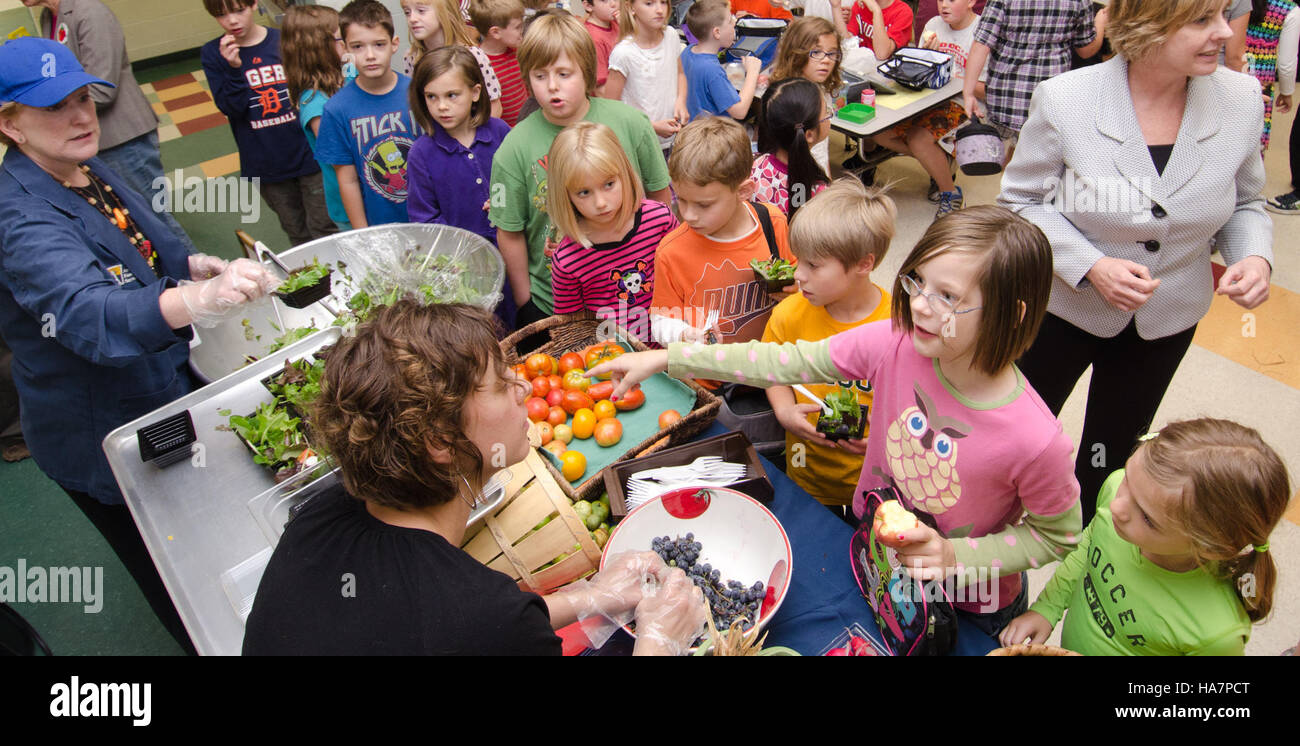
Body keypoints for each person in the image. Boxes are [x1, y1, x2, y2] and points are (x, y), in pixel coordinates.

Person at [596, 205, 1084, 637]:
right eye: (918, 282)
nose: (918, 305)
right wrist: (668, 360)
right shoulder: (894, 341)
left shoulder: (1036, 440)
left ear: (1012, 314)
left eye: (948, 297)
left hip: (973, 603)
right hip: (881, 562)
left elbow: (1055, 535)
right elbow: (781, 361)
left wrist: (958, 558)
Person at [0, 38, 281, 653]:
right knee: (178, 569)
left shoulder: (84, 164)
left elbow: (144, 241)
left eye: (84, 99)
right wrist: (199, 302)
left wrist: (192, 266)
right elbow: (88, 313)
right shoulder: (17, 216)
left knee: (217, 517)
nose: (80, 117)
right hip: (104, 421)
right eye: (55, 108)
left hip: (166, 389)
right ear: (9, 124)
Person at [242, 301, 708, 655]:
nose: (524, 386)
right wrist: (662, 639)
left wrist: (593, 594)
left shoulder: (323, 511)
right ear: (441, 442)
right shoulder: (479, 617)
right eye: (501, 383)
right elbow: (481, 626)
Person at [1000, 0, 1274, 526]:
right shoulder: (1067, 99)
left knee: (1113, 447)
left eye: (1223, 14)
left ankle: (1086, 549)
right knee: (1021, 428)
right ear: (1148, 25)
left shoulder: (1241, 98)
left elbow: (1247, 202)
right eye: (1202, 20)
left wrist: (1255, 256)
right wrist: (1090, 264)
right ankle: (990, 533)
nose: (1225, 32)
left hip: (1166, 318)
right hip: (1063, 308)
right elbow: (1020, 202)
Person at [1001, 419, 1290, 656]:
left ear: (1211, 547)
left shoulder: (1216, 635)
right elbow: (1089, 544)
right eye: (1127, 476)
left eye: (1149, 519)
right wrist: (1047, 608)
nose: (1118, 506)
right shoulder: (1118, 493)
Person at [488, 11, 671, 334]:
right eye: (540, 76)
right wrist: (525, 301)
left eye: (564, 73)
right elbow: (510, 230)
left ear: (586, 71)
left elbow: (659, 194)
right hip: (556, 302)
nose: (553, 86)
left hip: (645, 295)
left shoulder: (631, 123)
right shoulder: (513, 147)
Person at [762, 179, 895, 511]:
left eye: (813, 265)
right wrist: (783, 410)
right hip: (805, 475)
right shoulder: (790, 314)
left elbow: (917, 402)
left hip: (874, 486)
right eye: (799, 260)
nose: (798, 275)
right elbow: (769, 366)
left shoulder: (897, 326)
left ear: (864, 264)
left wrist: (885, 441)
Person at [26, 0, 197, 254]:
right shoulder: (49, 17)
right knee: (132, 222)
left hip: (122, 139)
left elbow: (101, 87)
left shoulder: (89, 12)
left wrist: (50, 117)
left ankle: (208, 283)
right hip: (90, 138)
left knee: (155, 221)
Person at [650, 116, 797, 348]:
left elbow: (801, 280)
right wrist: (683, 334)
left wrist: (796, 292)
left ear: (744, 191)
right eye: (682, 200)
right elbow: (661, 319)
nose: (688, 215)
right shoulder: (672, 251)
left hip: (770, 365)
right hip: (710, 380)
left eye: (704, 205)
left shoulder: (773, 222)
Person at [200, 0, 336, 246]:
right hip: (265, 162)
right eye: (221, 15)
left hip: (308, 153)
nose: (232, 21)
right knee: (297, 232)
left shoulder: (283, 41)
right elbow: (231, 108)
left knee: (326, 226)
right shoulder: (213, 53)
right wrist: (233, 69)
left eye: (238, 10)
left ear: (253, 4)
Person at [547, 122, 679, 343]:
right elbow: (571, 331)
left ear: (624, 174)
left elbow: (687, 277)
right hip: (615, 363)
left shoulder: (660, 220)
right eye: (584, 192)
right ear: (565, 195)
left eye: (608, 184)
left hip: (676, 352)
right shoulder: (568, 261)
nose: (600, 203)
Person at [314, 0, 421, 228]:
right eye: (358, 47)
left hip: (428, 215)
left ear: (394, 44)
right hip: (379, 224)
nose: (370, 55)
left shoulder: (419, 92)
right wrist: (363, 234)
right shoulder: (336, 109)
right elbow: (348, 180)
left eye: (379, 44)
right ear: (344, 48)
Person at [875, 0, 986, 217]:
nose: (943, 5)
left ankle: (950, 192)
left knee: (918, 139)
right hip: (929, 100)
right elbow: (918, 76)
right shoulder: (934, 25)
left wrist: (948, 73)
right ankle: (939, 162)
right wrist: (923, 59)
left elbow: (988, 90)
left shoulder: (982, 32)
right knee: (880, 132)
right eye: (940, 0)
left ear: (972, 2)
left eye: (952, 0)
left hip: (965, 104)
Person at [964, 0, 1105, 157]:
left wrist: (968, 93)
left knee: (998, 157)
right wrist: (1100, 22)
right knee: (1036, 165)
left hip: (1004, 100)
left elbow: (981, 45)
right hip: (1048, 101)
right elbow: (1085, 50)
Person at [282, 4, 357, 233]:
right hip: (349, 205)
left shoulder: (346, 73)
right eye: (339, 38)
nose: (346, 42)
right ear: (320, 49)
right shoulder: (315, 104)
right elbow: (341, 156)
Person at [606, 0, 689, 157]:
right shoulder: (624, 53)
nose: (659, 10)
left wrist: (681, 101)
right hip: (640, 144)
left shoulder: (671, 35)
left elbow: (680, 74)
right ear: (631, 8)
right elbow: (611, 109)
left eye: (663, 2)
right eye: (649, 3)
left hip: (673, 140)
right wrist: (652, 127)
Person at [401, 0, 504, 120]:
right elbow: (418, 106)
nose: (412, 19)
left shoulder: (474, 55)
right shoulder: (412, 58)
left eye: (421, 11)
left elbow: (494, 106)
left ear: (444, 12)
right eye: (407, 12)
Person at [768, 15, 843, 176]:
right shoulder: (792, 99)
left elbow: (821, 150)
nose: (826, 60)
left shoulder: (818, 88)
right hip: (802, 178)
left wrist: (826, 178)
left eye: (832, 53)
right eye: (816, 52)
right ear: (796, 52)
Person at [751, 77, 831, 217]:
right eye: (827, 113)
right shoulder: (816, 192)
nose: (829, 116)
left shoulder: (754, 166)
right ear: (809, 135)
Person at [680, 0, 763, 120]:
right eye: (730, 21)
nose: (734, 23)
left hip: (692, 128)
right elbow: (739, 111)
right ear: (717, 32)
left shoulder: (688, 51)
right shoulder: (712, 70)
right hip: (712, 134)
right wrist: (752, 72)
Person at [1243, 0, 1300, 151]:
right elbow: (1286, 63)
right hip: (1260, 82)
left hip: (1227, 71)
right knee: (1253, 139)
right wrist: (1287, 91)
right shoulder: (1287, 9)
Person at [470, 0, 529, 127]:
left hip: (527, 124)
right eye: (518, 27)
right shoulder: (480, 64)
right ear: (495, 32)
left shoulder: (517, 51)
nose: (522, 32)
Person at [840, 0, 913, 59]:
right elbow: (846, 42)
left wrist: (876, 11)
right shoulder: (860, 5)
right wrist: (835, 7)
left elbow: (882, 54)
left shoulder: (903, 12)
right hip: (862, 65)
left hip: (886, 70)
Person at [583, 0, 621, 94]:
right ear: (588, 6)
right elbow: (600, 90)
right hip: (610, 100)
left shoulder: (615, 23)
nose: (613, 4)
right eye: (604, 0)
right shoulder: (593, 38)